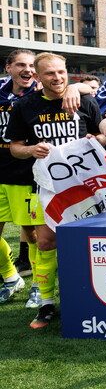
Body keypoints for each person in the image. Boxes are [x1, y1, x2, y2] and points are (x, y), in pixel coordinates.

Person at [8, 53, 103, 329]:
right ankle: (46, 303)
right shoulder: (24, 106)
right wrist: (30, 150)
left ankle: (92, 298)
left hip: (87, 187)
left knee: (89, 244)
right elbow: (15, 147)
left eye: (62, 72)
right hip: (48, 187)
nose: (58, 78)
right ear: (37, 77)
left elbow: (101, 136)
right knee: (47, 242)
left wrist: (94, 140)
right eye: (50, 73)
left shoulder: (84, 100)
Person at [0, 50, 40, 305]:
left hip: (27, 173)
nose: (27, 70)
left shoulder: (41, 95)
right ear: (9, 68)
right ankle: (10, 276)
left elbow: (80, 86)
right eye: (21, 65)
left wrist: (75, 88)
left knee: (31, 232)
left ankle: (39, 282)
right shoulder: (1, 94)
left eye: (31, 65)